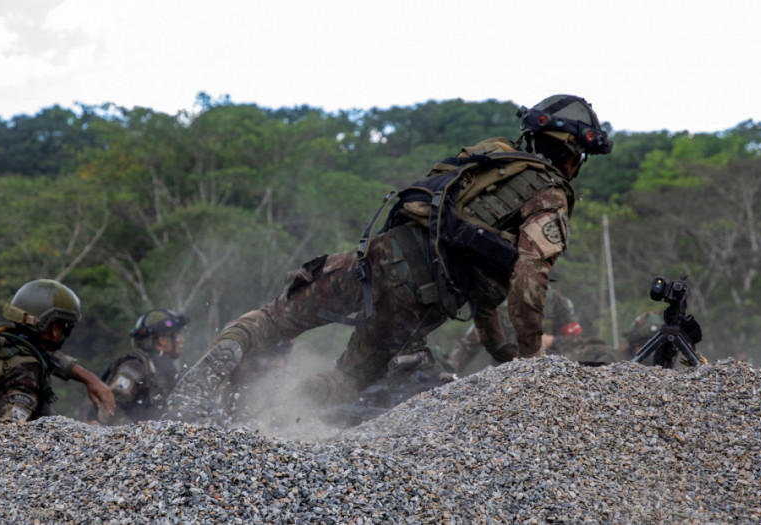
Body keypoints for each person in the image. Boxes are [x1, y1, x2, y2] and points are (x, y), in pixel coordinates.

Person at [165, 94, 613, 423]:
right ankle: (267, 416)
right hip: (416, 303)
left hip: (375, 258)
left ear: (532, 136)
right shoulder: (549, 194)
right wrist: (531, 369)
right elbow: (527, 281)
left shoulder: (492, 162)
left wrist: (505, 356)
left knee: (275, 318)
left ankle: (205, 383)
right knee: (348, 379)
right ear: (573, 157)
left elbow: (485, 299)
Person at [0, 279, 115, 422]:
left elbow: (43, 354)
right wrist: (79, 433)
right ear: (53, 329)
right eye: (64, 326)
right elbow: (14, 431)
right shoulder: (25, 370)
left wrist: (89, 378)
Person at [78, 309, 188, 425]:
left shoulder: (163, 369)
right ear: (162, 340)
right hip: (128, 439)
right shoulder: (135, 366)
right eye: (177, 335)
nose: (181, 340)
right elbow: (110, 410)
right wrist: (138, 432)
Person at [445, 286, 585, 374]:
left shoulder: (555, 300)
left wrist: (552, 341)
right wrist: (450, 372)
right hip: (504, 374)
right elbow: (468, 346)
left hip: (548, 371)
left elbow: (576, 341)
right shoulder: (498, 305)